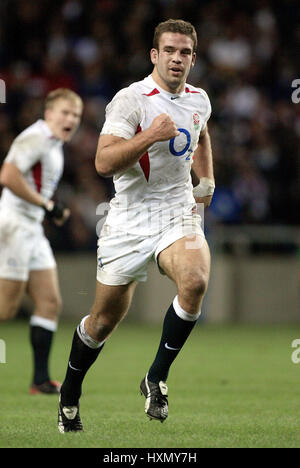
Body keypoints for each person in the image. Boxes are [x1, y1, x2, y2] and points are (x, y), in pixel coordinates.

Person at [58, 19, 215, 432]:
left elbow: (201, 134)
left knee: (196, 280)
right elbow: (103, 162)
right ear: (155, 55)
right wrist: (150, 136)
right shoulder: (131, 100)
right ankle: (70, 392)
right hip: (128, 219)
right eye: (169, 51)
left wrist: (207, 179)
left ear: (193, 58)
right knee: (102, 322)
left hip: (176, 210)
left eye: (184, 52)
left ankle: (155, 377)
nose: (177, 58)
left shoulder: (199, 100)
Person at [0, 88, 83, 394]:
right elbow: (8, 176)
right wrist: (47, 206)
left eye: (75, 115)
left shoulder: (54, 143)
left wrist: (49, 209)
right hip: (15, 226)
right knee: (5, 310)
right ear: (48, 114)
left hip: (32, 228)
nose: (71, 119)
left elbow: (33, 184)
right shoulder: (36, 136)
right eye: (65, 112)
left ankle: (40, 380)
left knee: (49, 303)